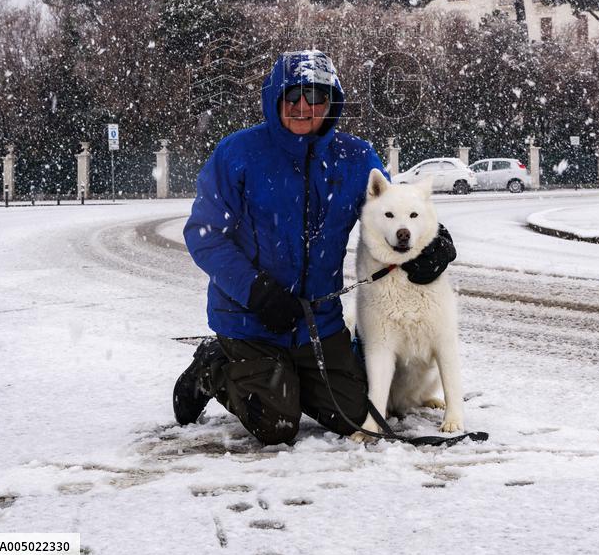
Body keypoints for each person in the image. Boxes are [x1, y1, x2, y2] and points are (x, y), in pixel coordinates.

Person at [173, 50, 455, 445]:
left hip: (317, 324)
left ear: (332, 102)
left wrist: (437, 242)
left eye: (317, 97)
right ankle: (216, 365)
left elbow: (395, 208)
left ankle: (286, 379)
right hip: (251, 320)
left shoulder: (355, 158)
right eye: (293, 97)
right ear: (275, 99)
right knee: (277, 426)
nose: (304, 107)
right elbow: (204, 233)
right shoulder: (238, 154)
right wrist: (255, 291)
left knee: (357, 417)